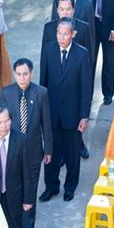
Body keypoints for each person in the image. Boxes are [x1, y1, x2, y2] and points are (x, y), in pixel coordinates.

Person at [0, 58, 51, 228]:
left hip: (33, 153)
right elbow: (2, 123)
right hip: (12, 153)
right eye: (19, 74)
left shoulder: (41, 93)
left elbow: (46, 123)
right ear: (14, 74)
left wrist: (48, 149)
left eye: (25, 74)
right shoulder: (6, 93)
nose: (22, 78)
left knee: (30, 192)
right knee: (14, 190)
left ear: (31, 74)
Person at [39, 19, 91, 202]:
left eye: (65, 34)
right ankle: (51, 187)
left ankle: (70, 187)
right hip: (52, 114)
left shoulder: (82, 54)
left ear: (73, 34)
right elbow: (43, 83)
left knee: (72, 154)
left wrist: (84, 116)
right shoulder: (48, 50)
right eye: (59, 33)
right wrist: (42, 112)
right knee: (51, 153)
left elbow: (86, 88)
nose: (61, 38)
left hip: (73, 116)